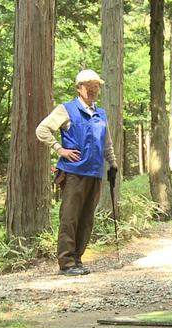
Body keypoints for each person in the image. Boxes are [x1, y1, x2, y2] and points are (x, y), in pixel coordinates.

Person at [36, 69, 118, 276]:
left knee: (87, 218)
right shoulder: (66, 109)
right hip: (73, 173)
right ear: (79, 88)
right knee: (70, 217)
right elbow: (42, 129)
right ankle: (66, 262)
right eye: (88, 85)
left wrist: (113, 164)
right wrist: (59, 149)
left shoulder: (101, 114)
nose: (92, 89)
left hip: (95, 172)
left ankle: (77, 259)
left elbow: (106, 143)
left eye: (96, 85)